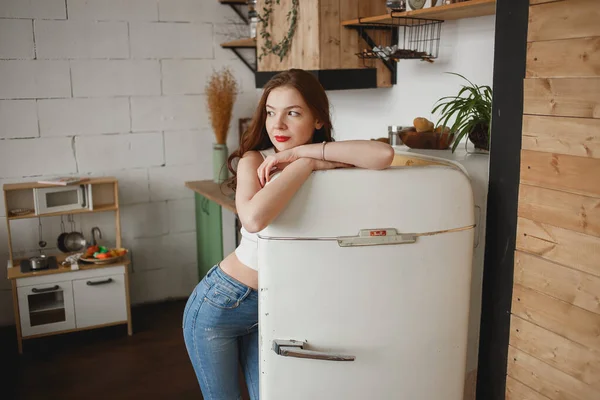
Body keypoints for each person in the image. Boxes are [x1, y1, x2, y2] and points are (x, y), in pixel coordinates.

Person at [182, 68, 394, 400]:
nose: (277, 125)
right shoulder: (256, 160)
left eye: (292, 113)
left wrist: (302, 154)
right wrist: (304, 165)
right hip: (223, 304)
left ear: (318, 119)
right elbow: (253, 219)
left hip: (277, 306)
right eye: (270, 113)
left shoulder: (325, 155)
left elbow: (383, 155)